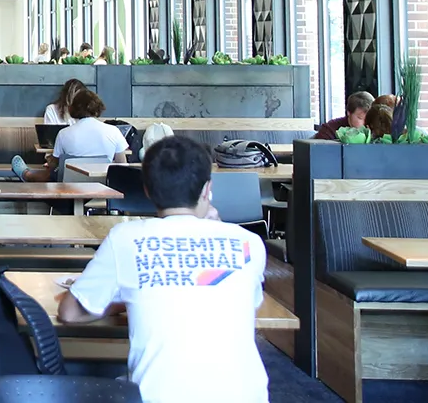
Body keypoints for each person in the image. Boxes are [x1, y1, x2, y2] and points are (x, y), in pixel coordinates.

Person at [59, 136, 268, 403]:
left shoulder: (126, 238)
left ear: (146, 189)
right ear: (207, 190)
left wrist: (128, 298)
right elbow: (238, 303)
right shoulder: (249, 242)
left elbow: (70, 312)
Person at [16, 87, 128, 181]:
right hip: (105, 190)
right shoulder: (114, 131)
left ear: (72, 108)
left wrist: (51, 160)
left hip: (68, 192)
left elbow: (54, 165)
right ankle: (27, 174)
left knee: (52, 173)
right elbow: (122, 165)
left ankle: (26, 174)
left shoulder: (64, 133)